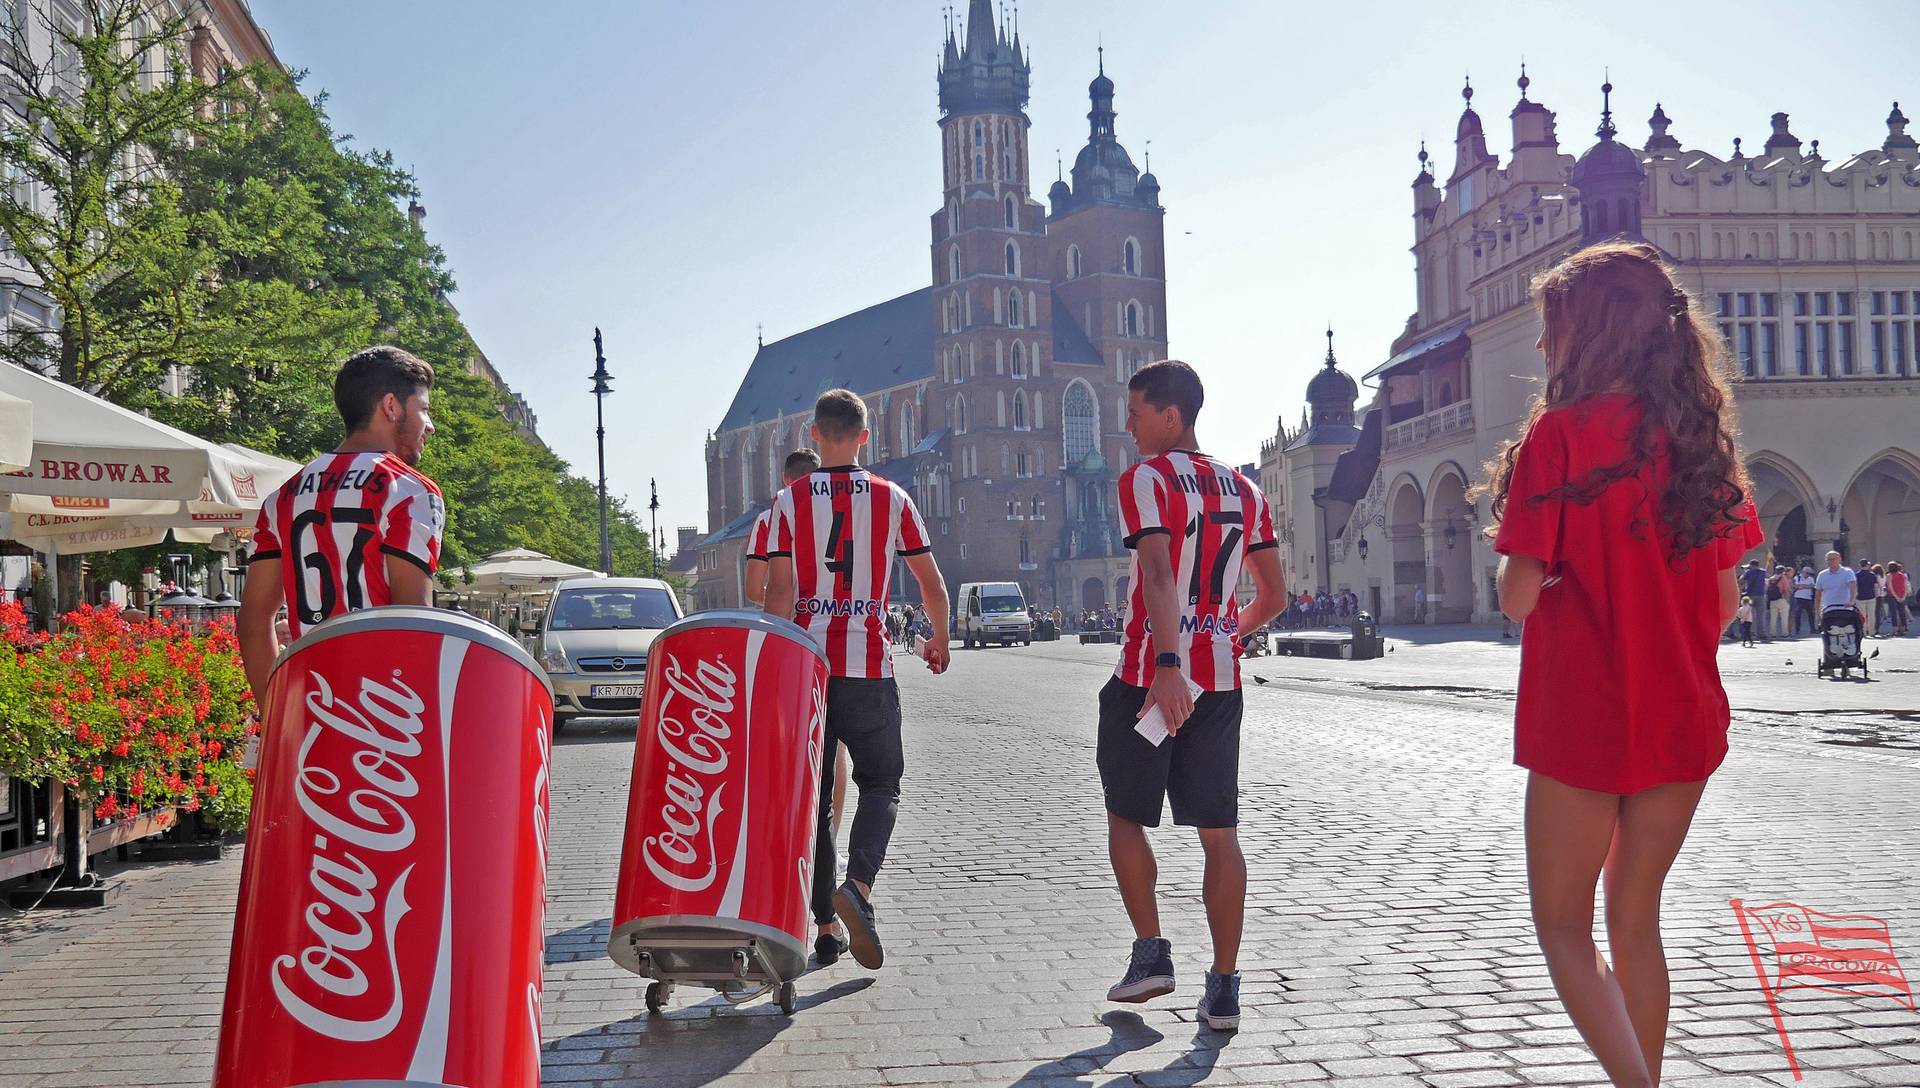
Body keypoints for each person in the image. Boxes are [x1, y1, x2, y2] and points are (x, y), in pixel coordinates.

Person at [1484, 242, 1761, 1088]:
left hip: (1584, 718)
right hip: (1681, 714)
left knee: (1563, 927)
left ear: (1591, 333)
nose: (1541, 348)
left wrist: (1534, 560)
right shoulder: (1699, 443)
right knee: (1635, 918)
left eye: (1551, 327)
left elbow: (1517, 599)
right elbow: (1724, 607)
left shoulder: (1558, 438)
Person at [1098, 361, 1288, 1034]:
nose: (1128, 424)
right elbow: (1274, 596)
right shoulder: (1245, 488)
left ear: (1169, 417)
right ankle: (1225, 989)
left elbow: (1155, 568)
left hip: (1149, 679)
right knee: (1219, 836)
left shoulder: (1144, 480)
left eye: (1136, 412)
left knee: (1126, 815)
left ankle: (1151, 953)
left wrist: (1172, 660)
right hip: (1220, 683)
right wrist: (1215, 639)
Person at [764, 389, 950, 972]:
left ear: (814, 435)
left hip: (808, 670)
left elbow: (778, 593)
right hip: (869, 664)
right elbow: (930, 582)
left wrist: (774, 668)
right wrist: (939, 638)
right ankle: (860, 888)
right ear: (866, 436)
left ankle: (824, 925)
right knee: (881, 782)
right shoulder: (892, 498)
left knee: (814, 802)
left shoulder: (789, 501)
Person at [238, 346, 445, 700]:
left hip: (312, 702)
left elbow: (253, 621)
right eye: (423, 409)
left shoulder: (282, 497)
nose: (431, 426)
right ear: (392, 406)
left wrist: (273, 711)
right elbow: (414, 621)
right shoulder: (410, 491)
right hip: (386, 711)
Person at [744, 449, 822, 608]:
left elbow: (753, 590)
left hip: (790, 623)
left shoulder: (766, 520)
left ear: (785, 478)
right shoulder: (837, 511)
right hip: (837, 614)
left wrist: (792, 604)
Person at [1813, 551, 1857, 623]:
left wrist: (1851, 601)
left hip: (1845, 608)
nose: (1831, 561)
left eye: (1833, 559)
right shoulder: (1822, 574)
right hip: (1829, 609)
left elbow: (1853, 586)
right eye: (1828, 560)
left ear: (1839, 559)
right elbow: (1818, 594)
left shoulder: (1847, 572)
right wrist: (1817, 614)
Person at [1739, 560, 1769, 641]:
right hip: (1761, 595)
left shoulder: (1748, 572)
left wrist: (1745, 572)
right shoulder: (1763, 572)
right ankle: (1761, 634)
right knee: (1761, 615)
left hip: (1750, 594)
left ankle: (1750, 633)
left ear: (1751, 565)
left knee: (1748, 614)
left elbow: (1741, 580)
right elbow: (1767, 579)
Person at [1854, 559, 1879, 636]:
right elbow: (1876, 586)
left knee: (1862, 616)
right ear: (1867, 565)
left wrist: (1854, 596)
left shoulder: (1856, 575)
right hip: (1871, 596)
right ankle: (1872, 632)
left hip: (1860, 597)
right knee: (1871, 615)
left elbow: (1855, 587)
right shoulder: (1872, 575)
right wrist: (1876, 595)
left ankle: (1863, 631)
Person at [1767, 565, 1791, 642]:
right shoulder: (1783, 578)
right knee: (1784, 618)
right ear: (1783, 571)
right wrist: (1787, 600)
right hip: (1781, 599)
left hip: (1772, 600)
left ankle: (1773, 633)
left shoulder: (1771, 579)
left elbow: (1767, 589)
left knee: (1773, 618)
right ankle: (1785, 634)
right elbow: (1786, 590)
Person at [1791, 565, 1817, 635]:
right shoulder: (1797, 577)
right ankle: (1797, 630)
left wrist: (1802, 586)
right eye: (1807, 573)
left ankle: (1813, 629)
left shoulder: (1811, 578)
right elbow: (1795, 586)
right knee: (1798, 614)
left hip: (1808, 598)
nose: (1809, 574)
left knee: (1811, 614)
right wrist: (1806, 586)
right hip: (1798, 597)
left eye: (1810, 573)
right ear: (1804, 572)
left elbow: (1812, 586)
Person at [1887, 561, 1911, 636]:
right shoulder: (1902, 575)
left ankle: (1895, 629)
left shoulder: (1889, 576)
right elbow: (1906, 586)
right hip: (1902, 595)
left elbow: (1890, 587)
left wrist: (1896, 596)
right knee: (1902, 612)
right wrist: (1903, 596)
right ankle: (1903, 628)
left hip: (1892, 596)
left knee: (1894, 613)